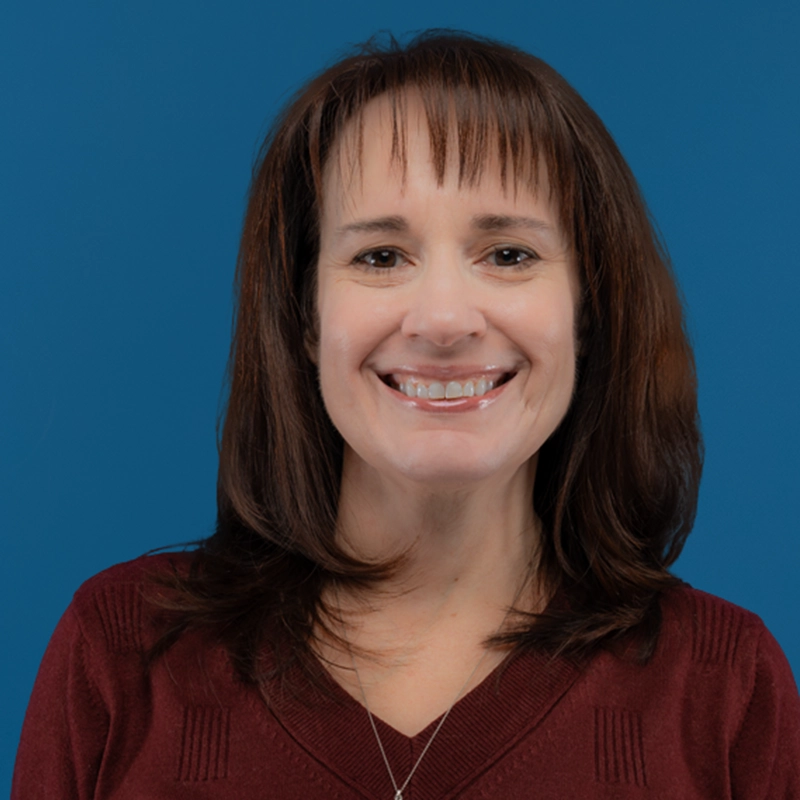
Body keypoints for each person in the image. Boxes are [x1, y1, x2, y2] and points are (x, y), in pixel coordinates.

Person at [12, 31, 800, 799]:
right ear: (305, 317)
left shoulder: (722, 686)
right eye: (380, 257)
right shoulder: (121, 653)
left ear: (589, 313)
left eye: (508, 254)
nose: (444, 319)